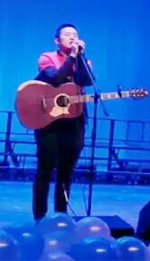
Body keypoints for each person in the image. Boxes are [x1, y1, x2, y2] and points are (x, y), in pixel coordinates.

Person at [32, 23, 93, 221]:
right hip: (49, 122)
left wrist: (80, 58)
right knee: (45, 170)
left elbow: (87, 81)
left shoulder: (83, 60)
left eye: (75, 34)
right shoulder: (47, 58)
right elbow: (56, 79)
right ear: (57, 40)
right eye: (67, 34)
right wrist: (72, 57)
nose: (72, 37)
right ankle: (40, 217)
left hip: (74, 121)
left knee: (66, 172)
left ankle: (61, 216)